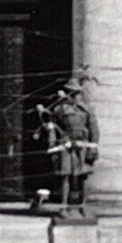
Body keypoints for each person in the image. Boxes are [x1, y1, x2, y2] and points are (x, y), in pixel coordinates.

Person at [48, 80, 99, 210]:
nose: (76, 96)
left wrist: (93, 147)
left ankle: (83, 206)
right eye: (72, 93)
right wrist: (52, 146)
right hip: (66, 145)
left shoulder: (87, 110)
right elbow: (53, 129)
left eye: (77, 93)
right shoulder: (59, 109)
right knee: (65, 176)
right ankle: (64, 206)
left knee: (83, 176)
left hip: (83, 145)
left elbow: (94, 129)